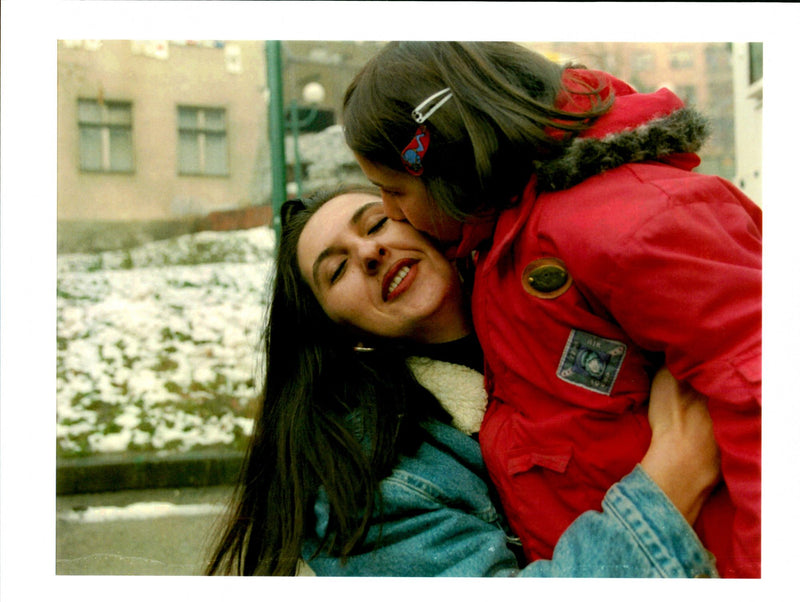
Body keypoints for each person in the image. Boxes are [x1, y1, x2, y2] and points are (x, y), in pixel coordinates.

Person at [342, 42, 761, 578]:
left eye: (393, 191)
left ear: (451, 169)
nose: (391, 212)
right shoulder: (499, 247)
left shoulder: (625, 222)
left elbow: (758, 390)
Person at [206, 185, 720, 577]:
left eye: (378, 223)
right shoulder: (368, 481)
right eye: (337, 270)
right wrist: (674, 477)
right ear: (340, 334)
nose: (369, 253)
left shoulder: (566, 288)